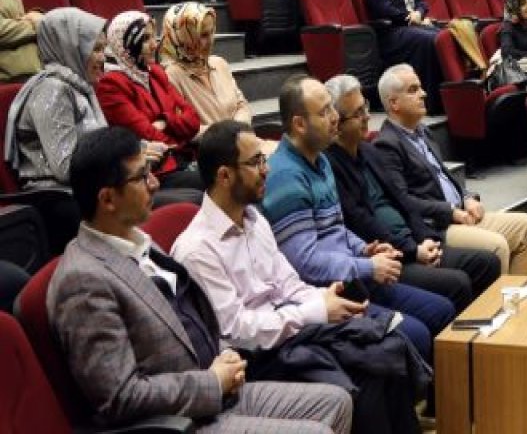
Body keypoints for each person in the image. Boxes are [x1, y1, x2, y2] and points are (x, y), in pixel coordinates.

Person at [49, 126, 354, 432]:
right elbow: (120, 398)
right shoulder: (83, 280)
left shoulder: (138, 241)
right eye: (142, 177)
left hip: (220, 383)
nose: (155, 183)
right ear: (108, 199)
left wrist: (224, 365)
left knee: (337, 403)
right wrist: (210, 382)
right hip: (182, 418)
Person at [173, 120, 425, 434]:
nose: (266, 170)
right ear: (224, 175)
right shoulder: (196, 250)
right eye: (255, 162)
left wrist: (325, 299)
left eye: (264, 159)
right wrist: (316, 312)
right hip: (256, 358)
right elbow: (236, 330)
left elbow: (288, 283)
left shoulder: (255, 220)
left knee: (386, 349)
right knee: (366, 374)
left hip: (292, 331)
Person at [263, 75, 456, 362]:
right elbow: (304, 263)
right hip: (326, 294)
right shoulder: (286, 177)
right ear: (299, 124)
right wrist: (366, 266)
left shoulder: (321, 160)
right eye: (324, 112)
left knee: (442, 310)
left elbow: (337, 229)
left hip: (353, 276)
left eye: (333, 109)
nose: (334, 119)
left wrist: (364, 249)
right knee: (416, 333)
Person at [325, 76, 500, 311]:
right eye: (357, 114)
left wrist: (425, 239)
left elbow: (402, 202)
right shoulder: (332, 165)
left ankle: (490, 338)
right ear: (336, 123)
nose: (367, 117)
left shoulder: (368, 151)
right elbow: (362, 222)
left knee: (487, 263)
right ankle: (460, 344)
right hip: (389, 256)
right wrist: (413, 250)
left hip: (413, 241)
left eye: (365, 107)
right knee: (458, 283)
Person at [374, 64, 527, 275]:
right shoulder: (387, 145)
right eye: (413, 90)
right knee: (497, 246)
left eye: (420, 88)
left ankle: (523, 303)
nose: (424, 94)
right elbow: (403, 201)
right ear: (394, 103)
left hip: (460, 212)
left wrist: (467, 197)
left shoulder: (423, 131)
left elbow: (443, 177)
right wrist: (451, 212)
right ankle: (497, 307)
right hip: (438, 226)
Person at [95, 11, 205, 190]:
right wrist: (179, 130)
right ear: (126, 43)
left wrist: (165, 121)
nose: (155, 45)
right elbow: (148, 135)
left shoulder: (155, 73)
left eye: (154, 37)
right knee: (215, 182)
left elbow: (193, 119)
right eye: (145, 39)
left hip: (181, 160)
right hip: (154, 172)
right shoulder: (112, 85)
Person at [7, 9, 105, 189]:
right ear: (69, 47)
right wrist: (120, 162)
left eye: (103, 49)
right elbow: (66, 168)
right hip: (55, 195)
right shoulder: (53, 89)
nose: (103, 57)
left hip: (87, 189)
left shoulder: (79, 86)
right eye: (96, 49)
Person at [158, 3, 261, 140]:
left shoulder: (219, 63)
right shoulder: (171, 75)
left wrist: (238, 131)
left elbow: (241, 105)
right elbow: (183, 128)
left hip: (241, 142)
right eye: (204, 35)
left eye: (212, 31)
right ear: (184, 37)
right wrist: (229, 134)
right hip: (209, 153)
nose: (212, 40)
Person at [363, 0, 444, 112]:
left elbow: (421, 2)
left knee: (442, 35)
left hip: (410, 26)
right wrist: (411, 17)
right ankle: (430, 102)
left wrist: (419, 14)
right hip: (390, 33)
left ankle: (443, 96)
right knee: (429, 39)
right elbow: (386, 10)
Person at [0, 0, 40, 83]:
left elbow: (17, 16)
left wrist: (34, 15)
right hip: (12, 76)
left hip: (33, 71)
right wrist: (36, 23)